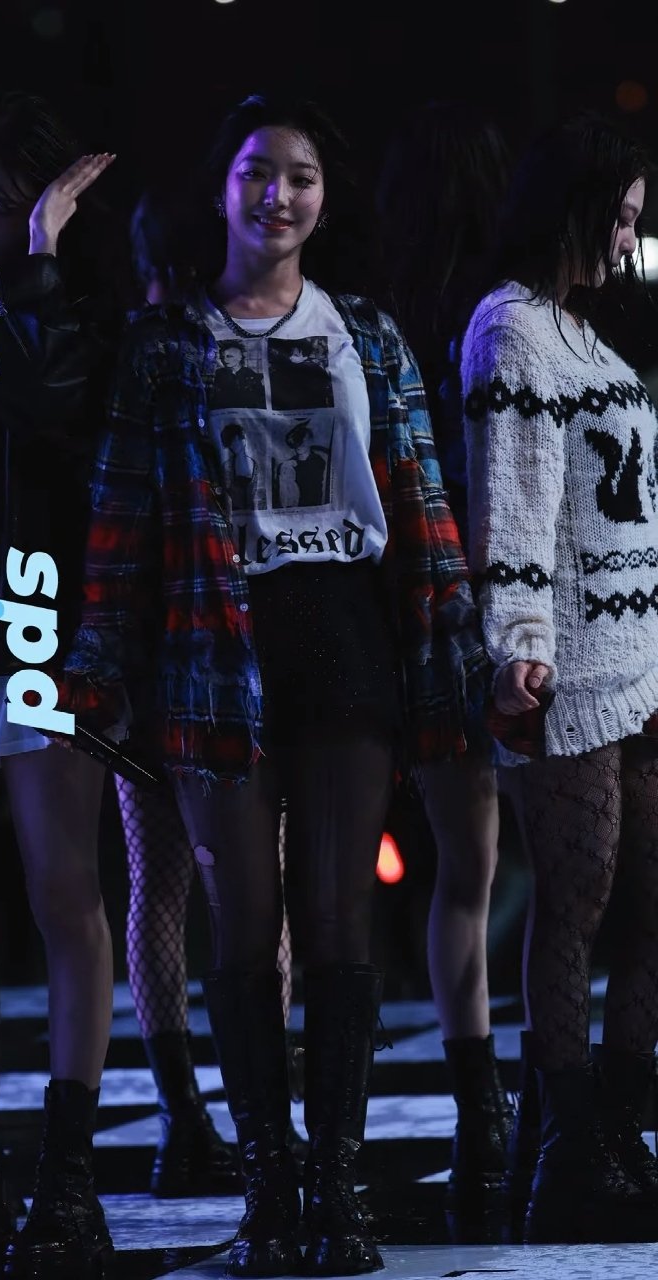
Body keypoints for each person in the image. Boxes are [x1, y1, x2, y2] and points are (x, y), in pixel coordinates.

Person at [59, 91, 487, 1278]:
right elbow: (121, 513)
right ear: (223, 190)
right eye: (257, 171)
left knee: (339, 921)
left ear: (323, 199)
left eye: (300, 174)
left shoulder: (369, 333)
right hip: (212, 643)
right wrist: (95, 665)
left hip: (344, 635)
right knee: (244, 923)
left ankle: (337, 1187)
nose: (278, 193)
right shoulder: (167, 343)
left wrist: (458, 644)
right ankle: (266, 1188)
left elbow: (423, 499)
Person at [461, 108, 658, 1245]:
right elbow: (515, 495)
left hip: (639, 660)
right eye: (617, 216)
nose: (626, 240)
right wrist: (518, 637)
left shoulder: (584, 335)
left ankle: (615, 1134)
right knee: (577, 900)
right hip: (569, 664)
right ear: (569, 205)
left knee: (645, 903)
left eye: (634, 221)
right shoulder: (511, 329)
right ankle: (566, 1153)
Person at [0, 89, 124, 1277]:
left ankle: (67, 1170)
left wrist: (42, 262)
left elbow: (41, 401)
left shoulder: (70, 313)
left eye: (2, 205)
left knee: (66, 889)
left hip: (35, 610)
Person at [110, 187, 305, 1201]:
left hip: (146, 649)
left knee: (161, 884)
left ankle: (185, 1115)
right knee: (251, 886)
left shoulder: (129, 349)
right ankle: (256, 1114)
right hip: (217, 647)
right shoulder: (209, 347)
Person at [375, 100, 521, 1226]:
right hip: (504, 597)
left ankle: (480, 1107)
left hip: (412, 604)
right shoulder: (510, 309)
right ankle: (517, 1102)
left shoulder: (383, 311)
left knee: (455, 876)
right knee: (526, 870)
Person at [212, 339, 266, 408]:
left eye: (229, 356)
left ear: (240, 357)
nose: (224, 360)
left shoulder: (250, 374)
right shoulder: (218, 374)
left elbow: (258, 398)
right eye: (222, 357)